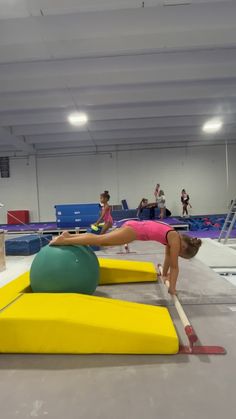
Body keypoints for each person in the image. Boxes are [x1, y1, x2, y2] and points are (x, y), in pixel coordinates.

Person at [50, 220, 202, 295]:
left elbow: (168, 258)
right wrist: (173, 289)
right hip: (135, 231)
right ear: (183, 248)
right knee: (100, 240)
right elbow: (175, 266)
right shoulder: (175, 239)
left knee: (103, 240)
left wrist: (164, 275)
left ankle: (69, 236)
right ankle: (66, 240)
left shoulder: (173, 236)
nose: (178, 255)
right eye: (181, 255)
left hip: (135, 228)